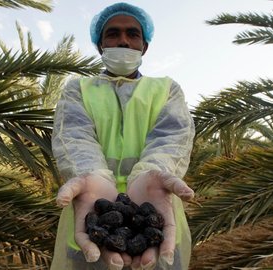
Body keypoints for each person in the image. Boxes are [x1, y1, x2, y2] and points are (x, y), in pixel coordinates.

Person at [51, 2, 195, 270]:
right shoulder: (78, 89)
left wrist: (154, 172)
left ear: (145, 46)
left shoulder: (166, 89)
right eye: (113, 33)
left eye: (133, 34)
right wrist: (90, 175)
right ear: (100, 44)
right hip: (90, 210)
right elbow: (73, 138)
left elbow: (171, 138)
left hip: (157, 207)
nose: (124, 41)